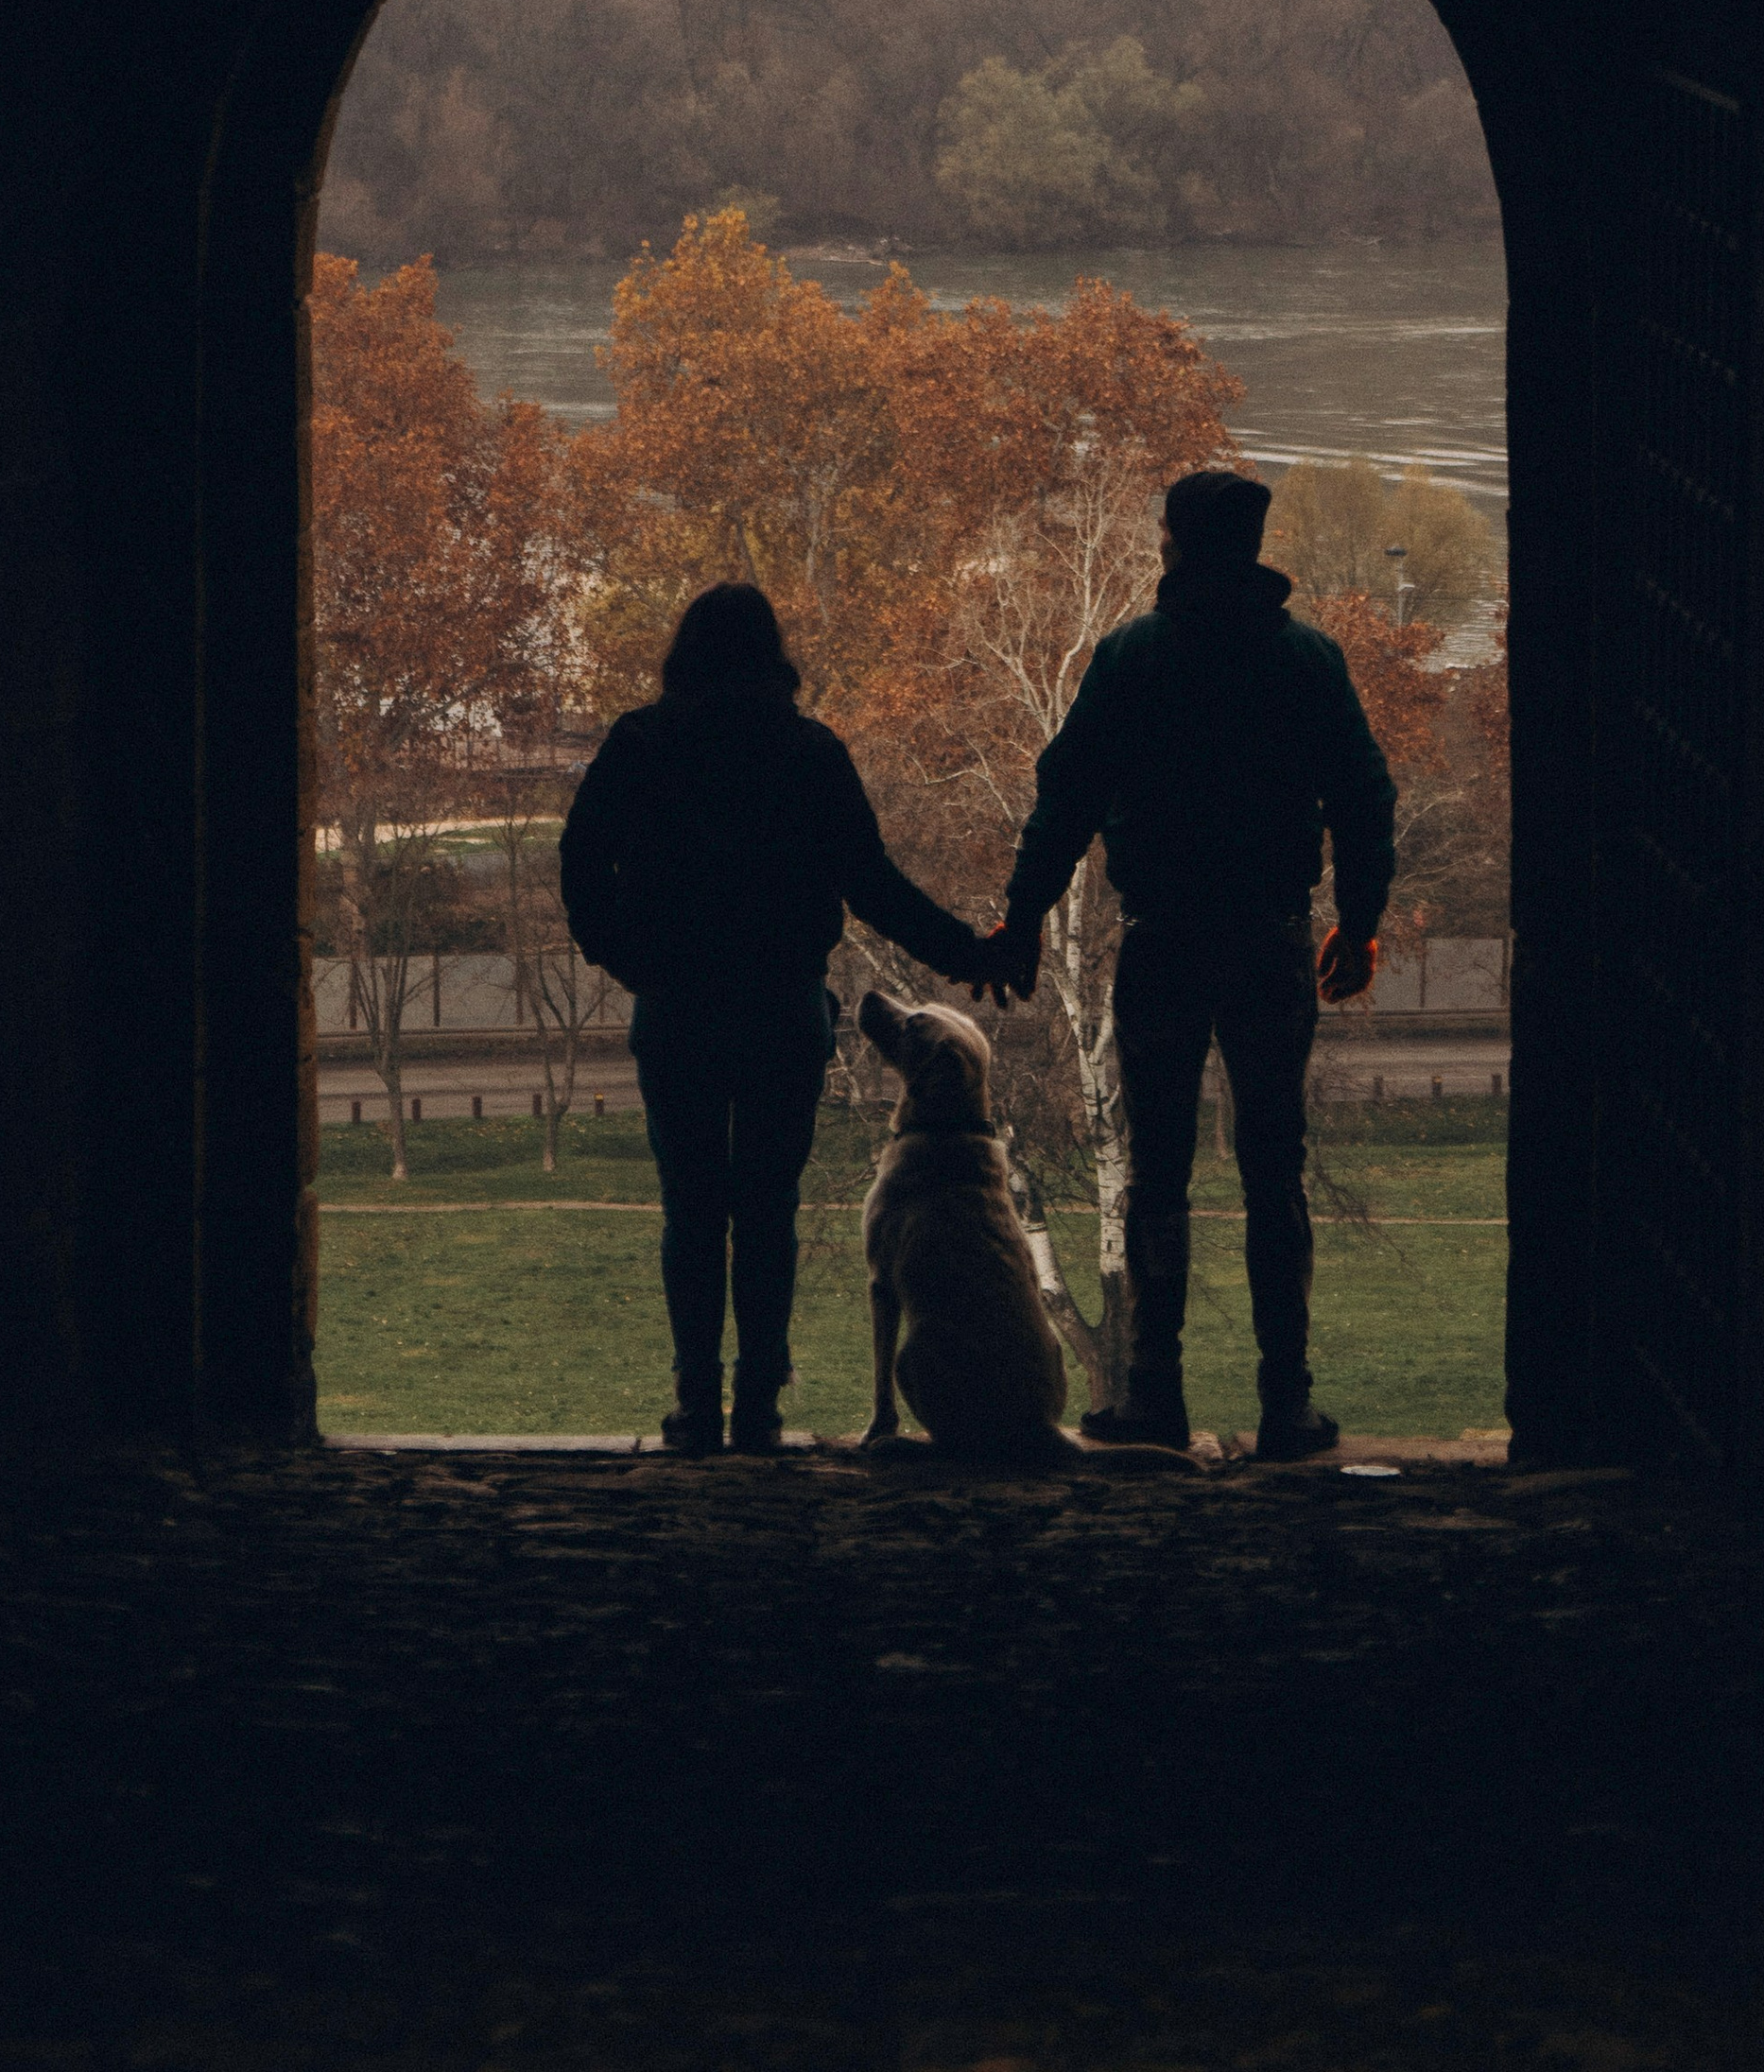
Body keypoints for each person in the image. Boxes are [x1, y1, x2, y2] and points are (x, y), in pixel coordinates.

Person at [977, 468, 1396, 1459]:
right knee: (1273, 1167)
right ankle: (1285, 1400)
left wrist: (1024, 916)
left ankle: (1150, 1394)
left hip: (1162, 939)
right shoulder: (1307, 661)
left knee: (1156, 1175)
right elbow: (1364, 800)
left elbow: (1065, 796)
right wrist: (1361, 919)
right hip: (1272, 939)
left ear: (1170, 540)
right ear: (1253, 545)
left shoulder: (1131, 660)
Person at [559, 580, 986, 1457]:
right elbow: (874, 885)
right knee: (766, 1206)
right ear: (772, 657)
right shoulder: (809, 753)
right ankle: (758, 1401)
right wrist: (969, 953)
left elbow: (580, 860)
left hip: (675, 1006)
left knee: (691, 1207)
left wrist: (622, 955)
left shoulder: (641, 745)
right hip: (782, 1006)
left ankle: (693, 1400)